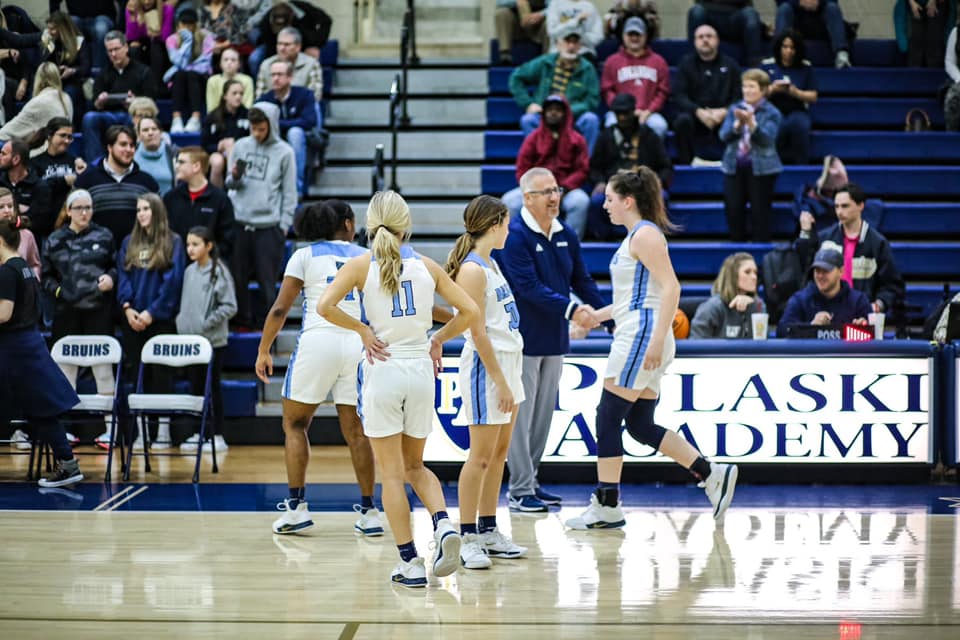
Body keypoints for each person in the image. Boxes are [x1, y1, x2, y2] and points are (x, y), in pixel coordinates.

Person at [317, 190, 479, 587]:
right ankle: (443, 524)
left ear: (370, 225)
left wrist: (362, 329)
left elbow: (324, 306)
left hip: (383, 368)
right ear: (407, 225)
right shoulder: (427, 266)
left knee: (391, 475)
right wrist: (438, 339)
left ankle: (410, 562)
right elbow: (470, 312)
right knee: (416, 466)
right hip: (421, 369)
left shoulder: (359, 265)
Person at [565, 168, 739, 530]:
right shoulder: (637, 236)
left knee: (607, 416)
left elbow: (671, 288)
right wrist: (595, 317)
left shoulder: (644, 235)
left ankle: (607, 504)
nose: (605, 205)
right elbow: (633, 299)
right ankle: (711, 473)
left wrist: (658, 339)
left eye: (610, 199)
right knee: (639, 425)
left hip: (642, 336)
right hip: (640, 330)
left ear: (628, 201)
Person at [255, 201, 383, 537]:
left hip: (318, 341)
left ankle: (296, 508)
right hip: (357, 342)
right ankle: (370, 512)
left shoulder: (304, 255)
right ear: (348, 224)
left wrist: (264, 349)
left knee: (295, 424)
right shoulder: (366, 255)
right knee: (357, 432)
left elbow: (280, 309)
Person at [497, 167, 606, 512]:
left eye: (556, 190)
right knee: (521, 419)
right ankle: (519, 489)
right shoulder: (514, 236)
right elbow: (528, 288)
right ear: (527, 198)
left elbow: (582, 280)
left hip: (555, 339)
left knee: (542, 417)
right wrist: (574, 311)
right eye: (545, 192)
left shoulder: (566, 233)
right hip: (523, 339)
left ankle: (531, 482)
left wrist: (606, 316)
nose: (554, 197)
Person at [443, 195, 528, 568]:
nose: (509, 230)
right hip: (486, 367)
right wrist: (501, 382)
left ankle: (489, 528)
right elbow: (477, 333)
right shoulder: (473, 270)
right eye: (506, 224)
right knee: (479, 457)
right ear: (494, 225)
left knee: (498, 453)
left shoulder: (491, 263)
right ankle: (467, 537)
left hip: (508, 362)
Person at [0, 214, 84, 488]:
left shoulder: (6, 272)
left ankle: (68, 465)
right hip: (28, 344)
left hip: (15, 349)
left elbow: (4, 314)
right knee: (41, 409)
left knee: (40, 409)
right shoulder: (24, 267)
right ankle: (68, 463)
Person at [40, 189, 117, 448]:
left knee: (103, 370)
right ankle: (64, 429)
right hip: (67, 312)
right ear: (69, 210)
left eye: (88, 208)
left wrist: (111, 279)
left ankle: (110, 430)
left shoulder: (104, 235)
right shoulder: (55, 239)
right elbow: (46, 277)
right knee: (65, 371)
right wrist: (60, 292)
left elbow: (115, 266)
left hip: (98, 311)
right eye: (79, 208)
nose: (84, 213)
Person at [116, 193, 186, 449]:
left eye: (146, 209)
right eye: (139, 210)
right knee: (137, 376)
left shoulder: (173, 241)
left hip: (159, 321)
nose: (142, 214)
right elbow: (123, 276)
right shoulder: (128, 241)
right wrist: (127, 307)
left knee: (161, 376)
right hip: (133, 319)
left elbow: (173, 283)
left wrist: (151, 312)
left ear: (157, 211)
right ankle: (141, 432)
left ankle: (163, 432)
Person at [225, 103, 297, 330]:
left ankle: (270, 329)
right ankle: (243, 323)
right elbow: (230, 184)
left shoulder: (285, 152)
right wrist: (235, 176)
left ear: (272, 126)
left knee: (268, 283)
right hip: (240, 222)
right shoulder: (240, 146)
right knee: (238, 279)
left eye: (262, 129)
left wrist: (284, 225)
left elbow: (290, 192)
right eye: (253, 129)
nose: (257, 134)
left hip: (269, 226)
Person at [796, 182, 905, 316]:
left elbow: (892, 285)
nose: (839, 212)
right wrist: (805, 234)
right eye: (836, 206)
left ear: (861, 206)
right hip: (827, 312)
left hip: (861, 315)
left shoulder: (878, 243)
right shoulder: (824, 238)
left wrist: (879, 304)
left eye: (845, 206)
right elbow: (806, 269)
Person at [176, 225, 237, 452]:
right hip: (191, 343)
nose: (190, 249)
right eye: (188, 244)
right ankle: (198, 433)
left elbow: (230, 306)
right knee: (195, 388)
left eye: (195, 244)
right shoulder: (189, 271)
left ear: (208, 246)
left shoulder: (219, 271)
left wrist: (206, 323)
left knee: (212, 388)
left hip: (212, 342)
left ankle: (217, 435)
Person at [501, 95, 591, 238]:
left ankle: (571, 245)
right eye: (549, 110)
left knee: (580, 201)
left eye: (558, 110)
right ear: (544, 113)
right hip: (536, 189)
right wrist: (535, 189)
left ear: (565, 113)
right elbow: (522, 168)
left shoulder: (577, 140)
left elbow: (582, 169)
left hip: (565, 190)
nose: (553, 113)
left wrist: (563, 188)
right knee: (509, 201)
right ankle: (514, 243)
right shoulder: (533, 138)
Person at [589, 92, 672, 240]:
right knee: (596, 201)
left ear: (633, 111)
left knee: (661, 197)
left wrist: (659, 181)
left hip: (643, 185)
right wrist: (600, 181)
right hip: (613, 186)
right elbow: (594, 167)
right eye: (618, 113)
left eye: (625, 113)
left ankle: (653, 238)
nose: (622, 117)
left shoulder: (649, 135)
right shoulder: (606, 136)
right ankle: (605, 242)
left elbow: (665, 166)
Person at [509, 23, 601, 153]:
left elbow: (592, 100)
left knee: (591, 120)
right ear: (558, 44)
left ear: (580, 46)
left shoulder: (587, 68)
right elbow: (516, 78)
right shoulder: (545, 62)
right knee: (528, 120)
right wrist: (528, 103)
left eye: (575, 42)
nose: (571, 46)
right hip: (545, 115)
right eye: (567, 42)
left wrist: (567, 110)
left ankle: (584, 162)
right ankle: (541, 159)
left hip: (574, 116)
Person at [719, 69, 782, 243]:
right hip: (733, 166)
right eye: (745, 86)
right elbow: (723, 136)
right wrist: (737, 126)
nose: (747, 90)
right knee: (733, 209)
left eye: (752, 87)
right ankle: (736, 248)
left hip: (763, 169)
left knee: (760, 212)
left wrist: (752, 125)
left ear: (763, 90)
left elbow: (767, 140)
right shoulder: (735, 109)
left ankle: (760, 248)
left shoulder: (772, 112)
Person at [76, 124, 160, 246]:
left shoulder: (148, 182)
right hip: (96, 250)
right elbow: (74, 219)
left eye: (132, 145)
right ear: (109, 147)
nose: (129, 149)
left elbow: (157, 221)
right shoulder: (86, 180)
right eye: (123, 144)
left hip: (137, 249)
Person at [81, 31, 157, 162]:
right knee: (90, 118)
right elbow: (95, 104)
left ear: (126, 48)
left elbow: (151, 102)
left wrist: (135, 103)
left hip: (132, 115)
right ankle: (96, 163)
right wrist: (100, 101)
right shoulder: (103, 73)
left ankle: (132, 160)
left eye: (116, 49)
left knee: (135, 120)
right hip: (109, 114)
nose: (113, 54)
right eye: (109, 51)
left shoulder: (143, 71)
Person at [671, 24, 742, 165]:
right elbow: (679, 95)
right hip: (696, 115)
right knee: (682, 121)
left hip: (724, 116)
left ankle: (735, 163)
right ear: (694, 41)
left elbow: (739, 95)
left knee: (741, 119)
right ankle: (687, 164)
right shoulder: (686, 64)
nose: (705, 40)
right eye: (700, 37)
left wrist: (725, 111)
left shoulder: (731, 65)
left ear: (717, 40)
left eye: (709, 36)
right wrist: (698, 111)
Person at [599, 16, 670, 138]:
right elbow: (607, 91)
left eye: (638, 35)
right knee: (611, 124)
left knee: (659, 125)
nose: (634, 38)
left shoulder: (659, 62)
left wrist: (649, 111)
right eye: (630, 34)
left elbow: (662, 92)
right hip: (619, 112)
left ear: (645, 36)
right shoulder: (611, 61)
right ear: (623, 36)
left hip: (649, 113)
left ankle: (652, 152)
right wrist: (623, 110)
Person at [776, 247, 872, 336]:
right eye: (817, 271)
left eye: (826, 271)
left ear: (841, 271)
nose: (820, 276)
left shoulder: (858, 300)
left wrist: (861, 328)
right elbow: (782, 331)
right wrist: (811, 326)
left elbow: (873, 334)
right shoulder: (800, 299)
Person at [258, 59, 317, 197]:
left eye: (279, 74)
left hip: (301, 140)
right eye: (273, 75)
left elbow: (309, 121)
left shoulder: (304, 94)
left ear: (290, 77)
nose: (275, 78)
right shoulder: (265, 99)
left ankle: (296, 190)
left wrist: (278, 124)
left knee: (295, 133)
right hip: (273, 139)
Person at [164, 146, 235, 258]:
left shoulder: (220, 200)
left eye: (181, 162)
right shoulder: (171, 198)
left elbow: (227, 239)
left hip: (209, 264)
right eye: (177, 162)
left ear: (196, 166)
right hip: (176, 263)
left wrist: (209, 258)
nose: (176, 166)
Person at [761, 30, 818, 165]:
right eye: (785, 47)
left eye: (792, 48)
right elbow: (756, 93)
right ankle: (769, 166)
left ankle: (801, 167)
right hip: (772, 109)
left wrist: (795, 92)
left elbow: (813, 96)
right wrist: (772, 89)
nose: (788, 51)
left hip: (797, 110)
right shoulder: (767, 65)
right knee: (776, 125)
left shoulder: (806, 67)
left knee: (800, 125)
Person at [690, 252, 766, 338]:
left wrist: (754, 307)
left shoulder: (759, 306)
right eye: (747, 272)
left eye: (755, 272)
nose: (754, 277)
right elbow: (696, 341)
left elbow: (762, 342)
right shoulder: (712, 307)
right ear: (732, 275)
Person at [165, 8, 215, 134]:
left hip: (200, 79)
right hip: (180, 78)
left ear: (196, 25)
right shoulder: (172, 40)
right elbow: (178, 62)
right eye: (184, 23)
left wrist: (189, 67)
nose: (187, 27)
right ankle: (176, 119)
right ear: (178, 25)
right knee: (180, 74)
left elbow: (205, 63)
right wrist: (187, 42)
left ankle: (195, 118)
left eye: (190, 24)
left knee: (191, 74)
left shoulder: (206, 37)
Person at [41, 11, 92, 127]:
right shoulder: (51, 43)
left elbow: (86, 68)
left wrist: (72, 71)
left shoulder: (79, 42)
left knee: (69, 94)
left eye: (53, 29)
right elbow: (42, 65)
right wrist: (48, 46)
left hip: (73, 81)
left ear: (63, 28)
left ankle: (70, 128)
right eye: (49, 29)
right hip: (53, 82)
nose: (50, 32)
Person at [0, 62, 73, 143]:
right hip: (63, 147)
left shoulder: (39, 102)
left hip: (44, 149)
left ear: (38, 80)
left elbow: (8, 132)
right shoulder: (67, 98)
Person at [0, 138, 54, 243]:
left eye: (3, 154)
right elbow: (28, 219)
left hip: (27, 243)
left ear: (16, 159)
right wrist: (20, 210)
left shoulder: (40, 187)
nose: (0, 156)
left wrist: (9, 214)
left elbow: (39, 223)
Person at [31, 118, 85, 220]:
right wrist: (64, 181)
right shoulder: (35, 162)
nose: (67, 141)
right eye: (62, 135)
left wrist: (83, 174)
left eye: (70, 137)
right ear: (49, 136)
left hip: (70, 217)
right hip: (44, 216)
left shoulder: (76, 162)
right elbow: (36, 189)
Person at [254, 26, 324, 104]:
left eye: (286, 44)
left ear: (298, 47)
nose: (282, 48)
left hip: (302, 109)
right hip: (273, 108)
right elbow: (260, 98)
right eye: (279, 44)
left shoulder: (311, 64)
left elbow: (315, 97)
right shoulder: (266, 65)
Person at [775, 0, 851, 69]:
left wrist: (819, 2)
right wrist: (799, 2)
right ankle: (777, 55)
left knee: (832, 8)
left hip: (821, 20)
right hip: (797, 19)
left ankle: (842, 55)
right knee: (784, 9)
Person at [202, 80, 250, 188]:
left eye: (241, 93)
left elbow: (251, 139)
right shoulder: (212, 117)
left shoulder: (248, 115)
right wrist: (219, 146)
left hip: (242, 154)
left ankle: (233, 181)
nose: (238, 97)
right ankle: (217, 195)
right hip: (217, 153)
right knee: (217, 162)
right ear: (225, 96)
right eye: (234, 93)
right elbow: (204, 144)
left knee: (230, 144)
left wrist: (234, 144)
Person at [687, 0, 764, 65]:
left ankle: (754, 64)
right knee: (696, 11)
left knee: (750, 13)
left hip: (736, 16)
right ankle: (693, 62)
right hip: (709, 15)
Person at [49, 0, 115, 72]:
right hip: (76, 16)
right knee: (70, 24)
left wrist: (120, 24)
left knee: (101, 29)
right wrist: (56, 19)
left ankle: (97, 70)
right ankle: (73, 69)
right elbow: (54, 3)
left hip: (103, 16)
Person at [125, 0, 175, 85]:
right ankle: (136, 84)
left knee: (155, 46)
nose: (146, 2)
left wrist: (146, 27)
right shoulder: (132, 8)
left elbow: (165, 36)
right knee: (134, 48)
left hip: (161, 47)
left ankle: (155, 85)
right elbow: (132, 37)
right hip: (144, 45)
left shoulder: (167, 10)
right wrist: (133, 18)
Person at [894, 0, 953, 68]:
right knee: (915, 46)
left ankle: (934, 70)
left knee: (934, 44)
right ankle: (915, 70)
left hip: (939, 4)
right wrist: (911, 2)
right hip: (913, 4)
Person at [0, 188, 40, 279]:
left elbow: (34, 265)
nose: (7, 210)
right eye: (1, 207)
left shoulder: (26, 235)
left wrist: (33, 280)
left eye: (10, 206)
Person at [495, 0, 548, 64]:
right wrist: (516, 2)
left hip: (539, 25)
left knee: (549, 21)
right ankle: (505, 54)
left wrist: (541, 14)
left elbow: (554, 7)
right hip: (517, 25)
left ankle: (547, 58)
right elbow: (499, 2)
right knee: (502, 13)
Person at [205, 46, 254, 114]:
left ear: (239, 64)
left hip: (241, 116)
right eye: (225, 59)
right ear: (220, 63)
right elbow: (211, 108)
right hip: (218, 117)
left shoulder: (247, 80)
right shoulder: (212, 81)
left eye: (233, 60)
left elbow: (248, 106)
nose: (229, 62)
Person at [133, 116, 175, 196]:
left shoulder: (173, 153)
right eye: (145, 130)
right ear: (138, 135)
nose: (150, 133)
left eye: (154, 129)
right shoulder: (131, 153)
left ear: (161, 133)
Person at [946, 20, 960, 131]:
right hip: (959, 80)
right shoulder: (956, 32)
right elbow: (949, 62)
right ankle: (952, 134)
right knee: (953, 97)